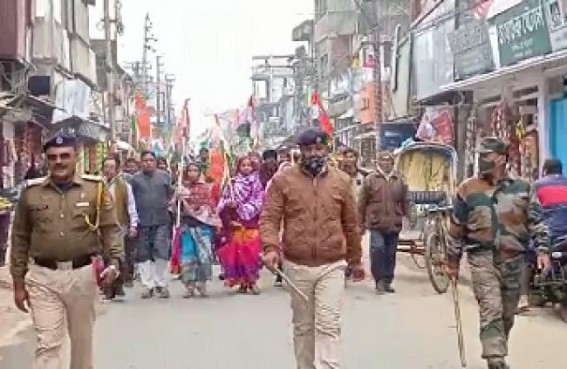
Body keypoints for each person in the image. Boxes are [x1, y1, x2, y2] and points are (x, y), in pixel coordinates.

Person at [10, 131, 122, 369]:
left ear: (76, 156)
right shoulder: (31, 193)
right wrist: (18, 282)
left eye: (64, 156)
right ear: (46, 160)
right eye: (53, 157)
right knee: (47, 344)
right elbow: (19, 237)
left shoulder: (96, 189)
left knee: (82, 346)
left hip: (82, 276)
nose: (59, 161)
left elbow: (110, 229)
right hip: (42, 277)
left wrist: (114, 262)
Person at [260, 128, 364, 369]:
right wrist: (270, 248)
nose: (313, 154)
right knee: (304, 326)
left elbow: (351, 224)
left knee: (328, 324)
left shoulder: (342, 181)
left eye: (318, 149)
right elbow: (270, 218)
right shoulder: (282, 181)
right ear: (300, 151)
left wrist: (355, 260)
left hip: (332, 265)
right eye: (307, 149)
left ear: (327, 150)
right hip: (297, 265)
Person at [446, 137, 550, 369]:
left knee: (507, 313)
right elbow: (456, 227)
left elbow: (537, 221)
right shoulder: (467, 188)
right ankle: (495, 358)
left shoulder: (523, 188)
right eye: (479, 155)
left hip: (514, 259)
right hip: (481, 256)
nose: (481, 160)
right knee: (491, 306)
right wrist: (452, 261)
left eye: (486, 156)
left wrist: (543, 250)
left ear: (501, 158)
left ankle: (498, 347)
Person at [358, 150, 408, 294]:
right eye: (383, 161)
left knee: (391, 253)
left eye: (389, 161)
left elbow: (406, 200)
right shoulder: (370, 179)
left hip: (394, 222)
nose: (386, 163)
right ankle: (379, 280)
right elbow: (361, 202)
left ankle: (387, 281)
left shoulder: (399, 179)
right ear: (378, 162)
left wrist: (409, 217)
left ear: (393, 163)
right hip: (376, 223)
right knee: (378, 250)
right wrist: (359, 223)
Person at [170, 162, 221, 298]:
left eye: (195, 170)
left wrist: (214, 224)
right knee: (187, 257)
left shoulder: (206, 188)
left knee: (205, 257)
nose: (192, 173)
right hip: (187, 226)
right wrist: (178, 199)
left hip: (203, 226)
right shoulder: (181, 188)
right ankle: (189, 286)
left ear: (199, 172)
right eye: (190, 170)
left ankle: (202, 283)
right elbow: (173, 209)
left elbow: (210, 207)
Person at [216, 156, 264, 294]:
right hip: (236, 223)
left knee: (252, 254)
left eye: (249, 165)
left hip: (251, 223)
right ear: (238, 167)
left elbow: (260, 201)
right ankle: (243, 282)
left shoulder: (256, 183)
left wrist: (247, 208)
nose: (246, 167)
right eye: (243, 165)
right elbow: (222, 203)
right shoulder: (232, 183)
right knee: (239, 254)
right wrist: (229, 204)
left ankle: (252, 281)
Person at [130, 150, 174, 298]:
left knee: (161, 252)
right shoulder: (134, 180)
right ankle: (147, 285)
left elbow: (171, 195)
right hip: (142, 221)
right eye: (145, 160)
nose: (148, 163)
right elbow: (130, 201)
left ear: (155, 162)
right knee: (143, 254)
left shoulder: (165, 177)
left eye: (151, 160)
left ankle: (160, 284)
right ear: (140, 163)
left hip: (161, 220)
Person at [102, 156, 139, 293]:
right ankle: (112, 284)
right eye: (106, 167)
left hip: (118, 226)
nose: (109, 170)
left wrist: (133, 225)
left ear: (117, 169)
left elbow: (131, 206)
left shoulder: (124, 186)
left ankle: (113, 286)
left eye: (112, 167)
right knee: (104, 255)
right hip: (100, 226)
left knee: (116, 255)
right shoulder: (97, 185)